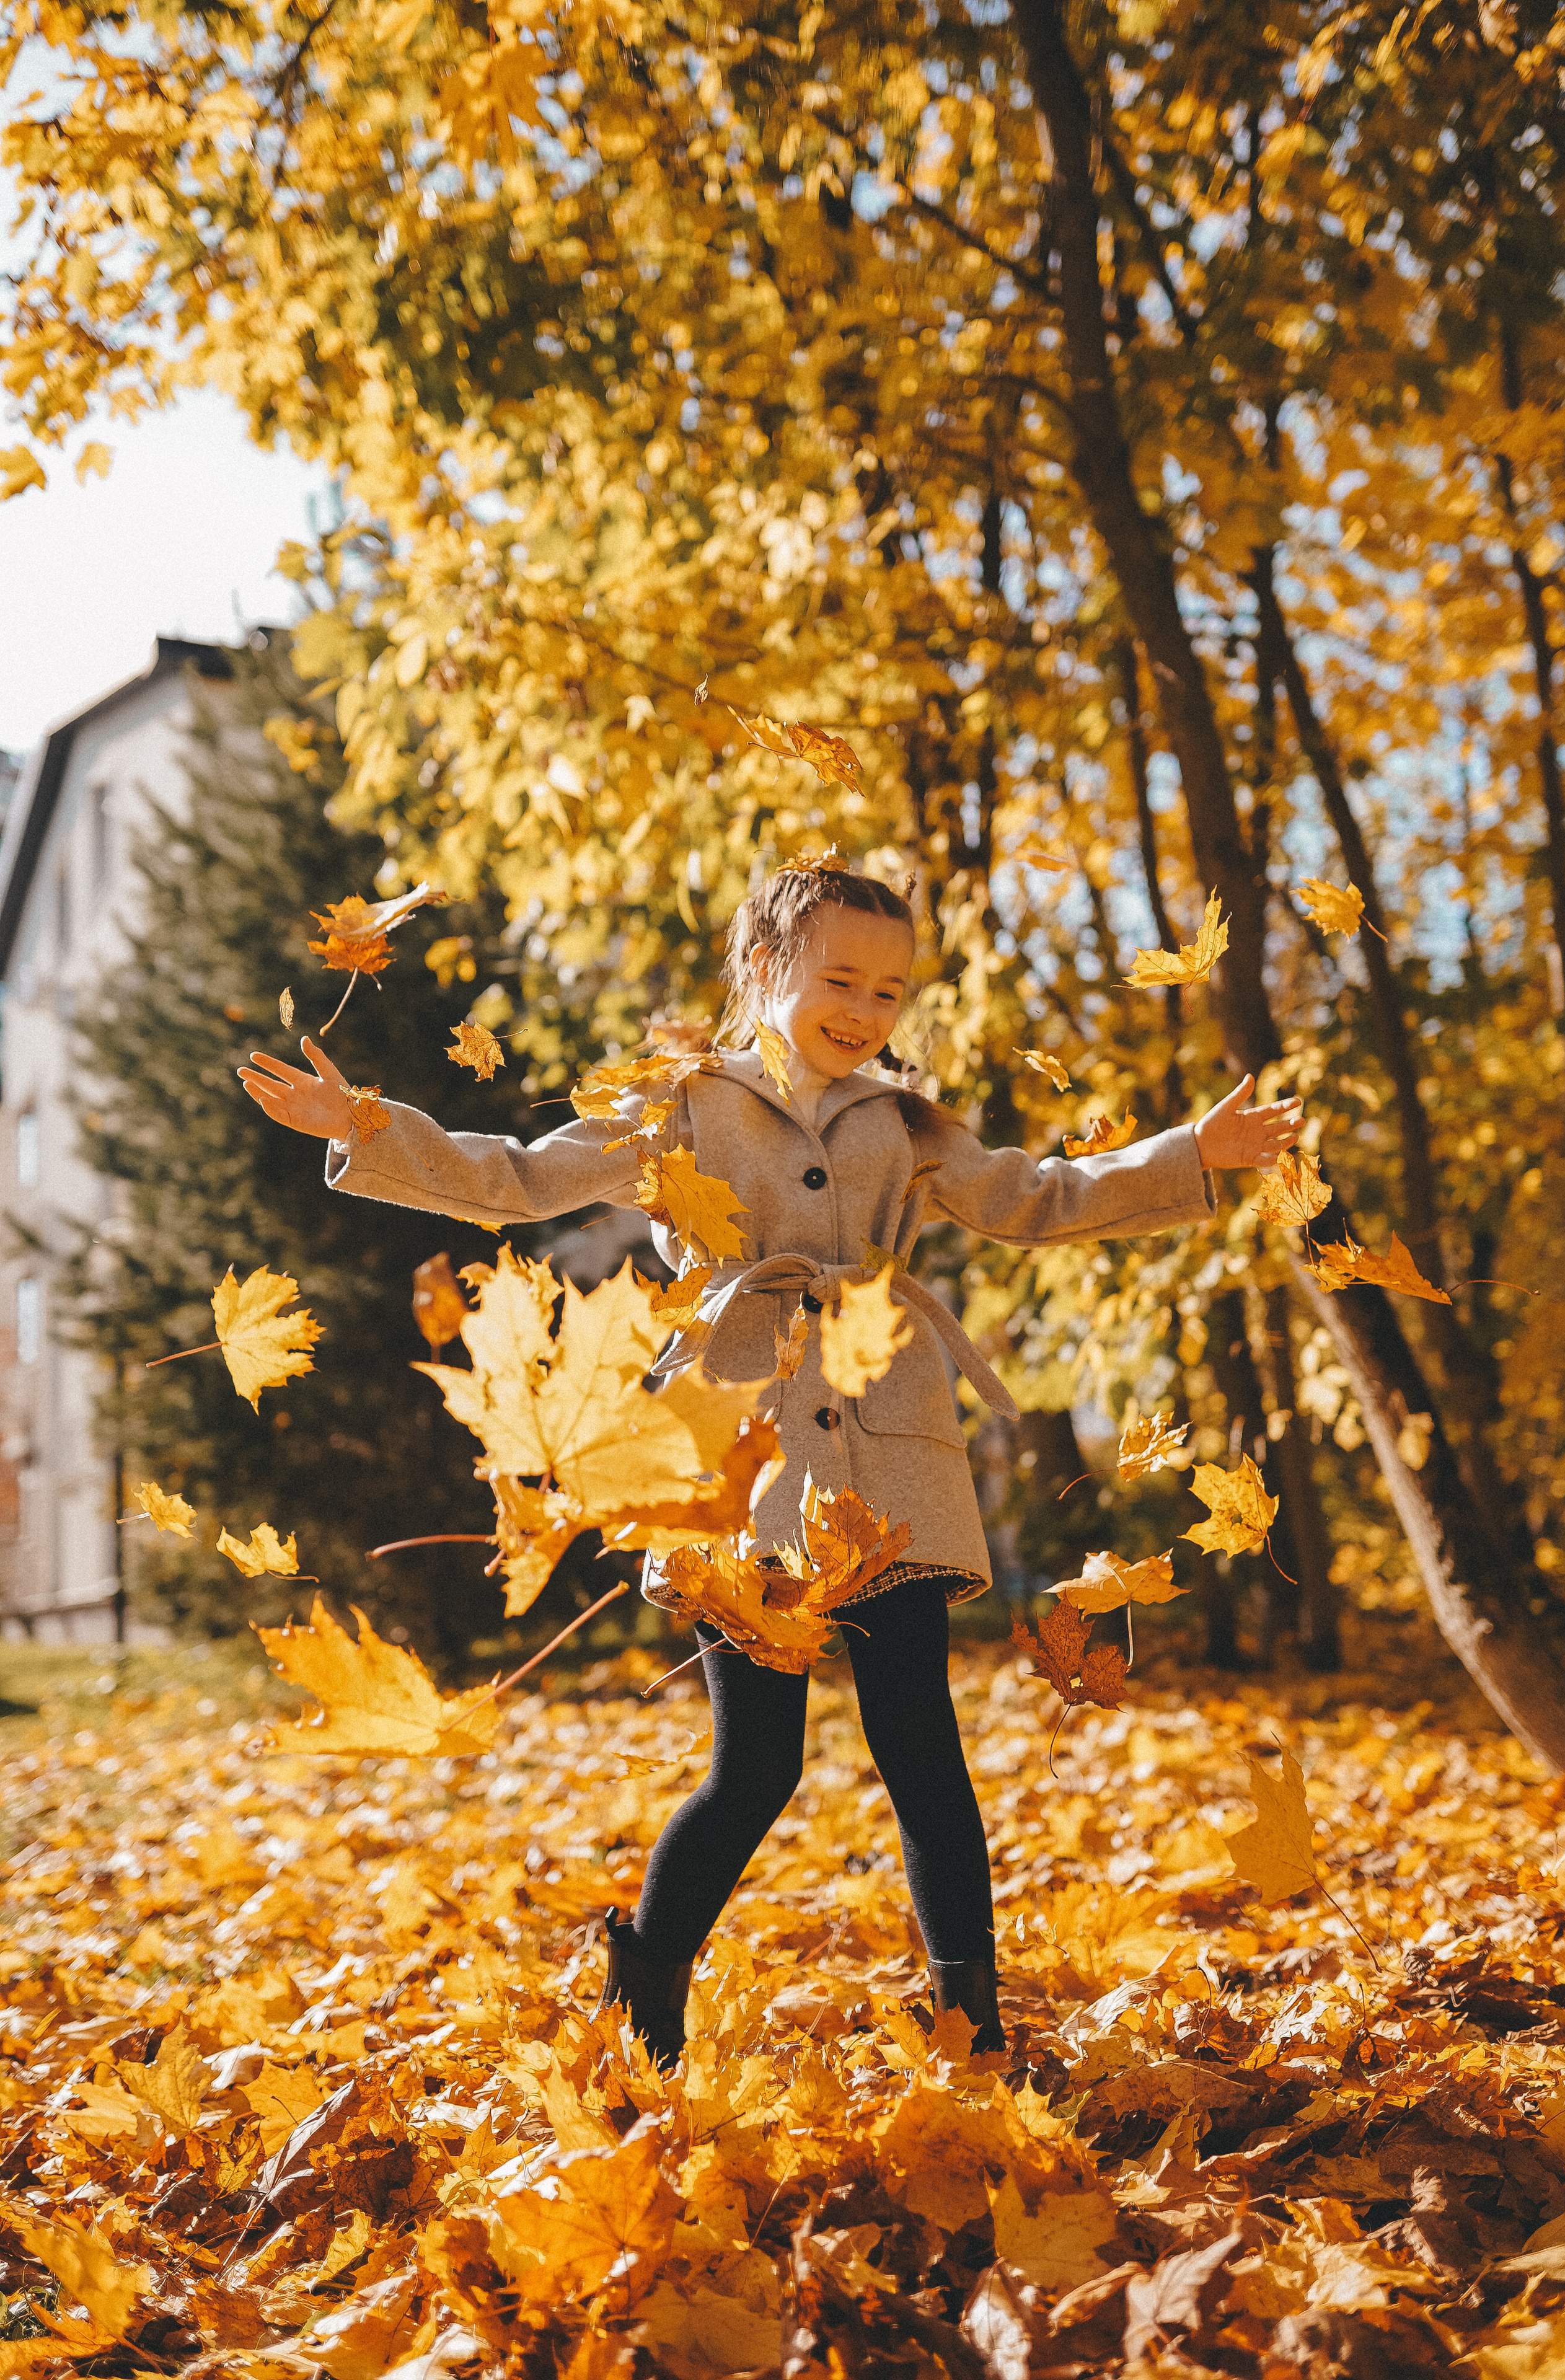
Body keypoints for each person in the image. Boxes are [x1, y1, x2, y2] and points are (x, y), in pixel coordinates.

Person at [240, 861, 1301, 2065]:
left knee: (923, 1750)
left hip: (889, 1454)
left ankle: (972, 2024)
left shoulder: (905, 1122)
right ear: (761, 969)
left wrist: (1188, 1157)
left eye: (889, 990)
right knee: (759, 1766)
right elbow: (522, 1180)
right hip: (735, 1461)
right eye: (838, 977)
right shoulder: (682, 1103)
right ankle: (643, 1988)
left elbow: (1035, 1198)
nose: (862, 1009)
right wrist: (368, 1130)